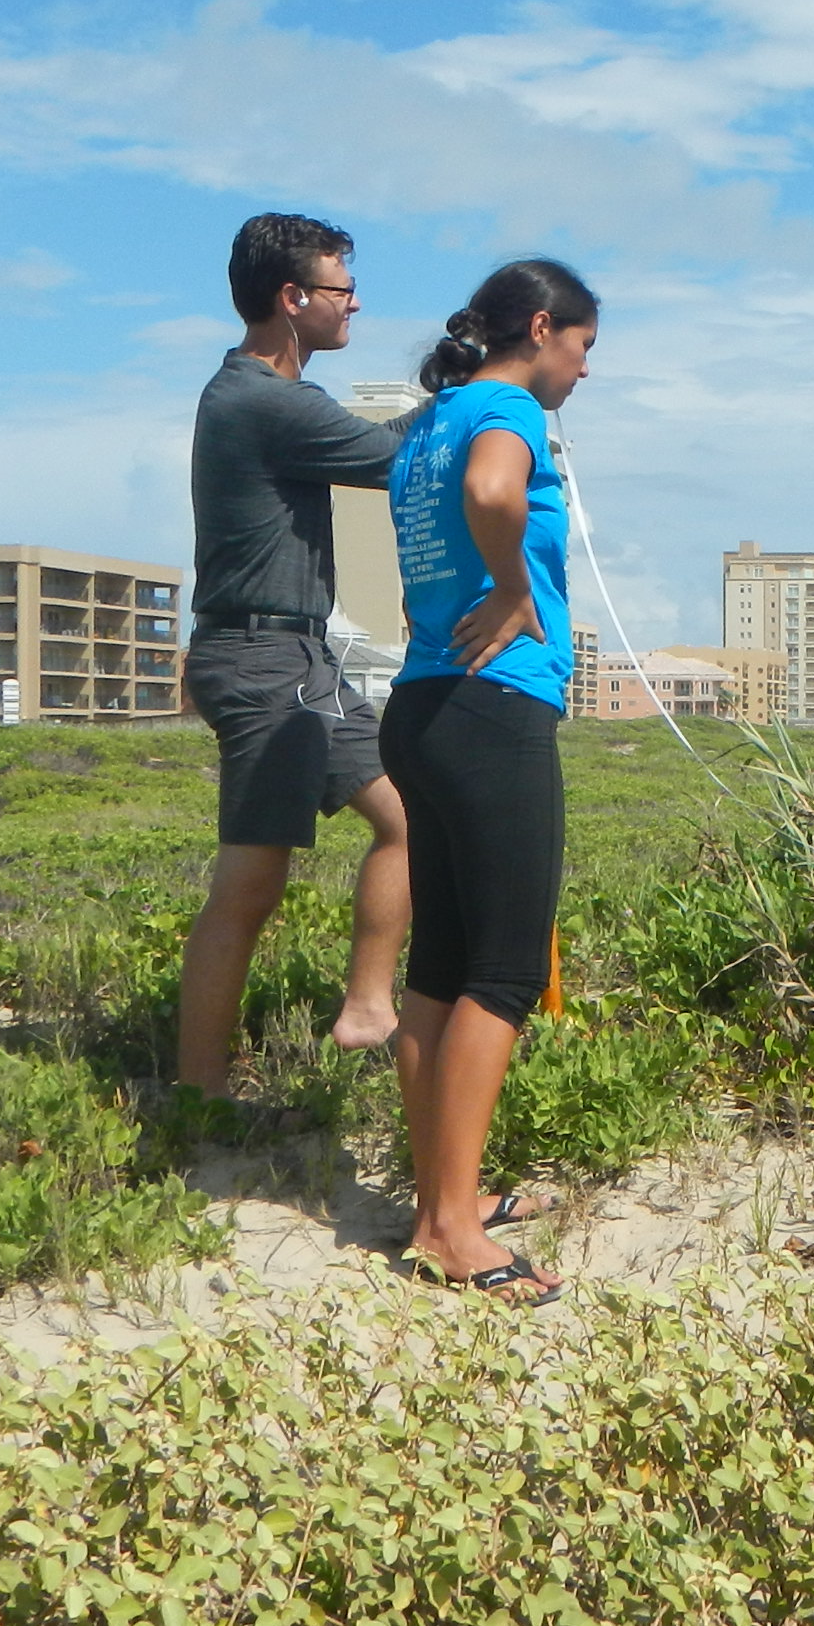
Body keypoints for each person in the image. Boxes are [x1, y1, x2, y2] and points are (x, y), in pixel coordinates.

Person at [379, 259, 602, 1299]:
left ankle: (443, 1205)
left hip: (423, 708)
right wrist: (517, 588)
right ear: (545, 329)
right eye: (585, 348)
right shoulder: (506, 408)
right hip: (491, 707)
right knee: (505, 973)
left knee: (441, 967)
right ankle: (451, 1232)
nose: (584, 371)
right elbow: (492, 492)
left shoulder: (431, 417)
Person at [176, 213, 414, 1103]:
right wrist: (478, 383)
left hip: (302, 656)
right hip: (259, 657)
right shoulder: (261, 399)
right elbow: (400, 455)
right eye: (343, 290)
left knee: (407, 820)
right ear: (292, 299)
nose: (355, 305)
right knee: (252, 880)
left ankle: (366, 1008)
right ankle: (197, 1098)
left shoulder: (270, 396)